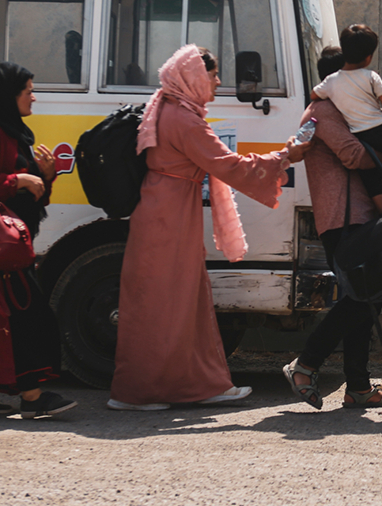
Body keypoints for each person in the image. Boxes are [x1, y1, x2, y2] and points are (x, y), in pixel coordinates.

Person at [109, 44, 308, 411]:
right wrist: (284, 156)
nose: (217, 81)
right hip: (170, 216)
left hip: (159, 209)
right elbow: (230, 166)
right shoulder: (184, 119)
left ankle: (161, 386)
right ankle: (164, 388)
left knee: (160, 301)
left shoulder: (165, 107)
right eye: (212, 75)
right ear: (193, 78)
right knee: (173, 302)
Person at [0, 59, 76, 418]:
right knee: (23, 310)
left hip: (4, 238)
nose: (34, 98)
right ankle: (33, 397)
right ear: (7, 94)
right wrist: (20, 180)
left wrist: (43, 177)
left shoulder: (11, 130)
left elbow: (26, 195)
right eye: (28, 91)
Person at [283, 47, 382, 410]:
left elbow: (369, 148)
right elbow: (352, 154)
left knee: (366, 298)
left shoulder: (345, 109)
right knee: (360, 297)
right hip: (341, 217)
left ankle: (359, 386)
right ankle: (305, 364)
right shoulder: (323, 112)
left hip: (361, 216)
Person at [310, 24, 382, 212]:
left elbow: (313, 94)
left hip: (364, 133)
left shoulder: (331, 84)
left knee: (369, 174)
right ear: (368, 57)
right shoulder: (371, 76)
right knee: (373, 169)